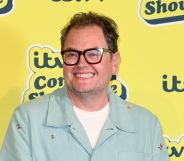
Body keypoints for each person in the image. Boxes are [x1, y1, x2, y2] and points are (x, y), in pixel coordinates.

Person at [0, 12, 169, 161]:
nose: (81, 63)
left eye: (93, 54)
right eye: (72, 54)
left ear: (114, 62)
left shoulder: (147, 125)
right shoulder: (28, 120)